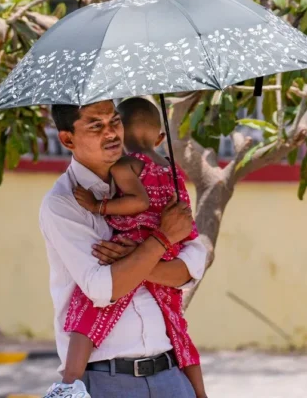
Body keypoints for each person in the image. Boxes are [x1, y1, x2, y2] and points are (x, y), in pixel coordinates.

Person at [39, 100, 207, 398]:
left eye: (115, 121)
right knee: (88, 312)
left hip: (170, 374)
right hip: (107, 380)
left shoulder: (150, 173)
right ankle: (67, 387)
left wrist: (137, 260)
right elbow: (103, 288)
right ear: (67, 139)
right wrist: (161, 242)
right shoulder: (64, 203)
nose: (111, 133)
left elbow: (190, 266)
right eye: (96, 126)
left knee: (181, 330)